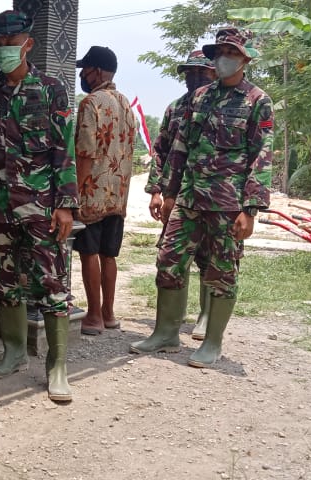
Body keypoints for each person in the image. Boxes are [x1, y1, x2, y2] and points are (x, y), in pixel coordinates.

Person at [132, 28, 273, 369]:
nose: (223, 58)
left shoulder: (257, 101)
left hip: (227, 204)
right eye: (220, 51)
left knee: (222, 271)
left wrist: (250, 209)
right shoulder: (199, 98)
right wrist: (167, 193)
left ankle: (212, 343)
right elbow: (179, 148)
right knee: (168, 260)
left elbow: (262, 155)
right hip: (189, 198)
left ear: (246, 58)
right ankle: (165, 332)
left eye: (231, 52)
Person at [0, 10, 77, 401]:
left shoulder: (52, 89)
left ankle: (57, 366)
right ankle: (12, 352)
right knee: (2, 279)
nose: (3, 49)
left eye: (10, 42)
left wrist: (66, 205)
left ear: (28, 43)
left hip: (42, 206)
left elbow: (65, 151)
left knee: (52, 283)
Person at [145, 49, 219, 342]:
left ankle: (206, 315)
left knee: (210, 258)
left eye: (200, 72)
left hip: (211, 196)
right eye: (189, 72)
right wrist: (155, 191)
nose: (193, 77)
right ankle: (171, 325)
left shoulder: (220, 106)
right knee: (174, 256)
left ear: (212, 73)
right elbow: (160, 151)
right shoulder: (175, 108)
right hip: (177, 196)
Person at [72, 45, 136, 335]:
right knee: (109, 255)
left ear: (96, 71)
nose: (82, 75)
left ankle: (94, 316)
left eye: (85, 69)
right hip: (118, 193)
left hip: (92, 192)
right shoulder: (125, 104)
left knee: (89, 253)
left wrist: (75, 191)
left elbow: (85, 153)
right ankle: (109, 314)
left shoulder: (91, 103)